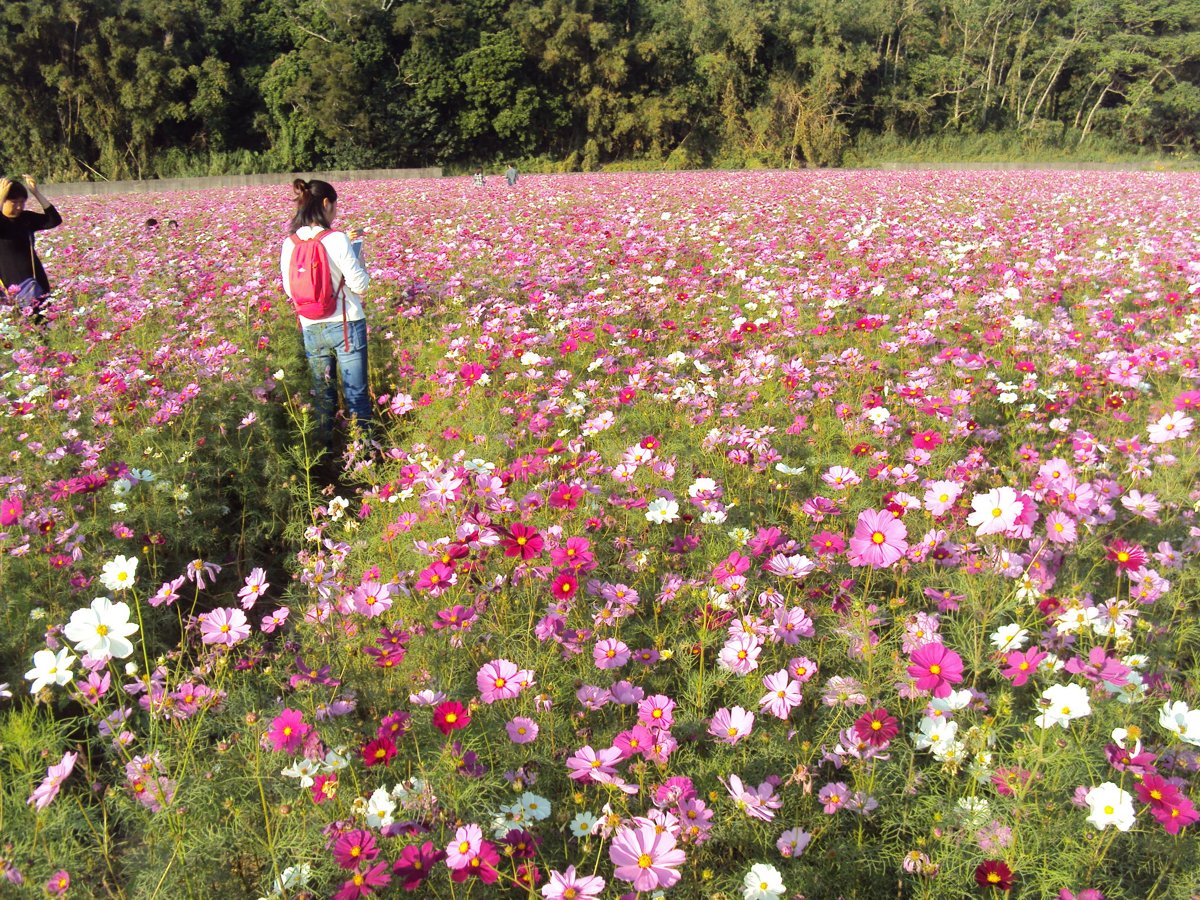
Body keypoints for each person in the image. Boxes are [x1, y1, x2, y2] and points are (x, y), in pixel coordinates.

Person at [279, 178, 372, 450]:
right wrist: (359, 258)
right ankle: (362, 453)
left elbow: (289, 289)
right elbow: (360, 285)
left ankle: (324, 453)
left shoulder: (290, 243)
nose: (335, 212)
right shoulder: (337, 238)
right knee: (355, 395)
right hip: (346, 325)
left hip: (311, 327)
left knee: (323, 395)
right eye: (335, 206)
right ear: (325, 203)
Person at [0, 175, 62, 323]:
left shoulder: (25, 218)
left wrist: (36, 193)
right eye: (14, 202)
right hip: (10, 283)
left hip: (35, 279)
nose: (19, 207)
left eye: (22, 202)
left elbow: (54, 220)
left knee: (44, 322)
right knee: (18, 326)